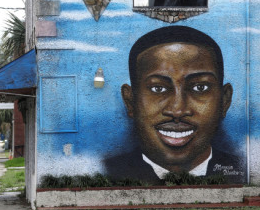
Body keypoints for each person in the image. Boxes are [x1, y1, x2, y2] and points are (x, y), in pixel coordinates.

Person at [103, 26, 244, 184]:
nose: (178, 110)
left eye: (200, 88)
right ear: (130, 102)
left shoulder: (243, 169)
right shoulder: (105, 171)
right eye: (158, 88)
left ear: (224, 101)